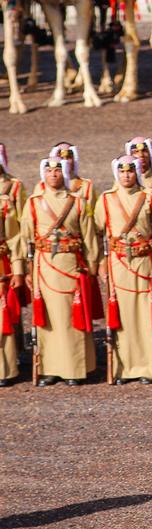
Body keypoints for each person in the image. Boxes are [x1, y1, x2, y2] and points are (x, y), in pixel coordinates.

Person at [95, 156, 152, 384]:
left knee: (145, 314)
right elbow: (97, 231)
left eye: (131, 170)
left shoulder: (149, 197)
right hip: (119, 264)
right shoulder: (106, 199)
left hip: (144, 263)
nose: (127, 175)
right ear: (116, 173)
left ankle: (151, 366)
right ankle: (125, 369)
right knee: (124, 316)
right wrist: (100, 262)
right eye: (122, 171)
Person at [24, 157, 101, 387]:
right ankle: (50, 368)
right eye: (49, 170)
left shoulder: (77, 202)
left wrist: (92, 266)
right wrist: (25, 268)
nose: (54, 174)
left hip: (71, 264)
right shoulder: (34, 202)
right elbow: (26, 239)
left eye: (58, 170)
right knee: (47, 319)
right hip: (45, 264)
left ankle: (75, 368)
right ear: (43, 174)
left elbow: (89, 236)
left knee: (70, 317)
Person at [0, 144, 26, 387]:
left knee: (4, 314)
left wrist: (19, 267)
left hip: (2, 260)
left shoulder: (13, 187)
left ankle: (6, 368)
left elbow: (16, 234)